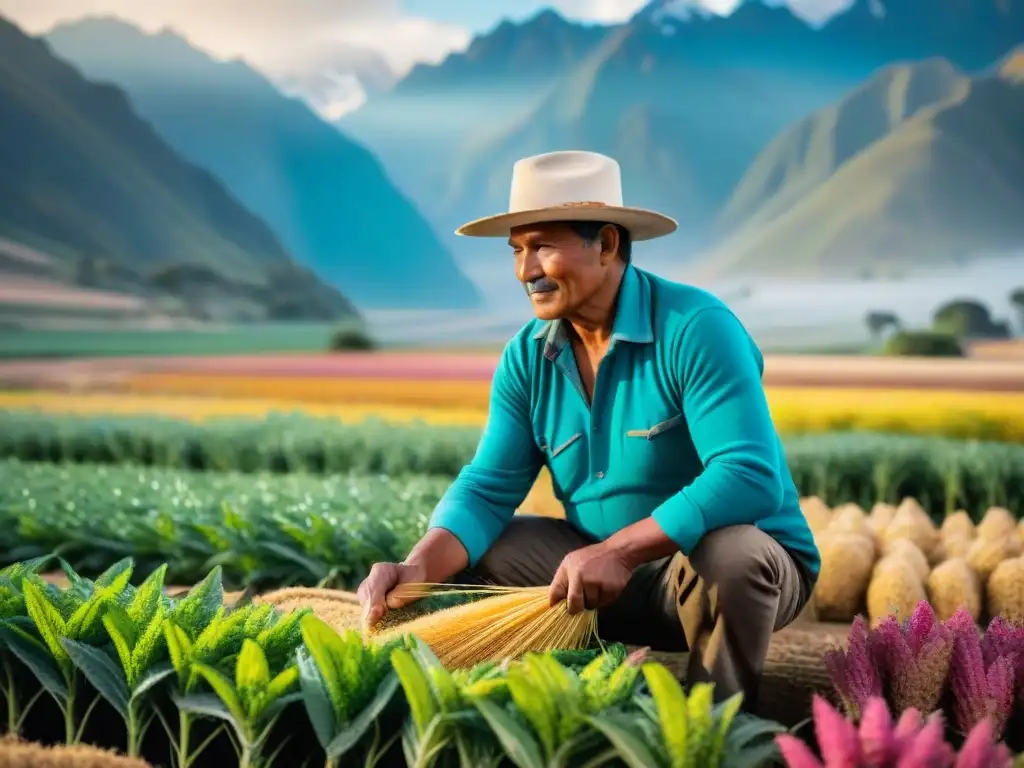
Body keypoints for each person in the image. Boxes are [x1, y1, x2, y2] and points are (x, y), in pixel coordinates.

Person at [357, 150, 820, 709]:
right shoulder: (526, 357)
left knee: (734, 554)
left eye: (543, 246)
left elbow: (748, 476)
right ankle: (551, 702)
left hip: (714, 577)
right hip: (603, 577)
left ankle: (710, 726)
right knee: (479, 551)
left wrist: (622, 552)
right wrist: (415, 568)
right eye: (517, 251)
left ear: (606, 244)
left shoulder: (696, 328)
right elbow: (486, 486)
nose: (526, 271)